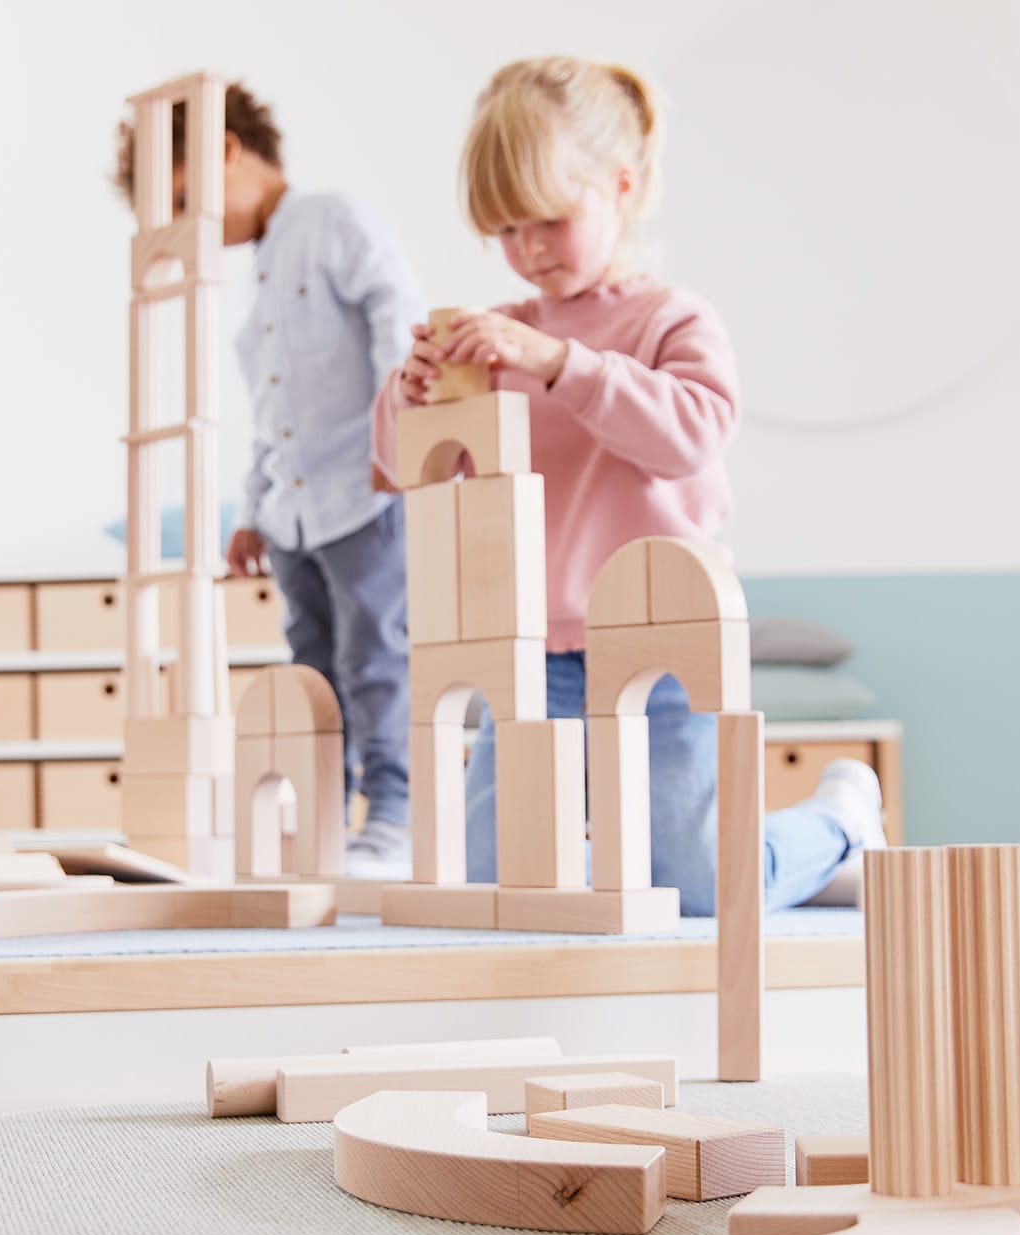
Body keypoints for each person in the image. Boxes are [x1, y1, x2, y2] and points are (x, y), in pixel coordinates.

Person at [371, 56, 884, 914]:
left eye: (549, 220)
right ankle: (799, 864)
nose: (528, 250)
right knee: (499, 876)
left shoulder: (669, 319)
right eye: (505, 230)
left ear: (620, 185)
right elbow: (400, 469)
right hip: (530, 649)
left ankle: (836, 820)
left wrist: (563, 363)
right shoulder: (503, 338)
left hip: (662, 638)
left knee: (694, 883)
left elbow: (691, 434)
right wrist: (411, 391)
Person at [115, 83, 422, 866]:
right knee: (312, 666)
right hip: (296, 510)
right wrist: (254, 506)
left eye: (186, 204)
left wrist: (402, 433)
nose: (190, 233)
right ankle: (326, 809)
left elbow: (396, 315)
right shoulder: (259, 272)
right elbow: (272, 407)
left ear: (224, 152)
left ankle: (394, 808)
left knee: (375, 656)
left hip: (364, 492)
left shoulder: (330, 223)